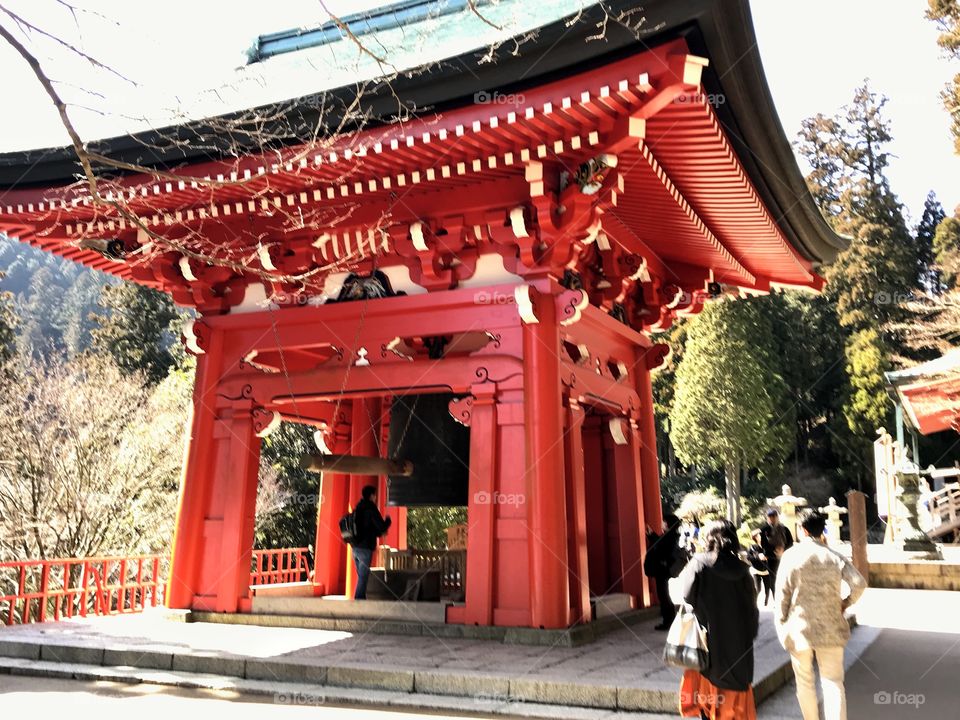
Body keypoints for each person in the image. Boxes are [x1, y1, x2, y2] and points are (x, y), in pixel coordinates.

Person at [775, 510, 866, 720]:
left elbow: (782, 596)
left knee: (805, 682)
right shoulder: (833, 556)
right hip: (831, 626)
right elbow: (859, 583)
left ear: (802, 529)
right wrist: (845, 603)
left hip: (799, 627)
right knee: (833, 682)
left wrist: (781, 625)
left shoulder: (791, 556)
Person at [673, 519, 759, 719]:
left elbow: (686, 594)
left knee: (708, 701)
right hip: (739, 646)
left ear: (709, 538)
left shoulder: (699, 563)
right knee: (734, 705)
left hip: (708, 644)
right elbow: (751, 608)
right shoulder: (743, 569)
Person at [644, 513, 687, 630]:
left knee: (663, 595)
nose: (661, 523)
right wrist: (652, 535)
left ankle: (668, 620)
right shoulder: (672, 535)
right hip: (664, 569)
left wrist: (652, 535)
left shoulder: (670, 536)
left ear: (667, 523)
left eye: (663, 521)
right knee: (663, 594)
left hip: (663, 569)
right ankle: (669, 619)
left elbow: (661, 547)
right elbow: (660, 543)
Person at [351, 485, 391, 600]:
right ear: (372, 495)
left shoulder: (358, 508)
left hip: (355, 547)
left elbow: (368, 528)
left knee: (361, 576)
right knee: (363, 577)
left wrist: (378, 533)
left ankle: (361, 598)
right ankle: (359, 599)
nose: (376, 497)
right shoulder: (371, 508)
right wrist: (388, 521)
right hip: (365, 548)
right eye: (375, 495)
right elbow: (381, 526)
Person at [756, 508, 793, 600]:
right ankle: (776, 599)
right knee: (773, 580)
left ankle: (784, 598)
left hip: (783, 557)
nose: (772, 519)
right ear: (767, 518)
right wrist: (774, 549)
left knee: (784, 579)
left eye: (774, 516)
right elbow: (763, 544)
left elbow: (790, 542)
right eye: (770, 517)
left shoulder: (784, 529)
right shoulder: (765, 530)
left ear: (777, 517)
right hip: (771, 559)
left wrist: (783, 549)